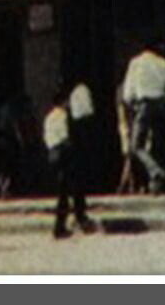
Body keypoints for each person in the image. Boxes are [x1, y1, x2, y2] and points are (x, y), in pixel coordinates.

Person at [122, 39, 165, 193]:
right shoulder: (163, 63)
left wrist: (133, 105)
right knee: (160, 145)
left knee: (137, 145)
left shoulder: (135, 63)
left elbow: (127, 94)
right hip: (162, 105)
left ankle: (155, 171)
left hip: (144, 105)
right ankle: (158, 185)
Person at [44, 87, 97, 238]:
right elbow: (65, 137)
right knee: (71, 189)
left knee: (64, 192)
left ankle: (66, 223)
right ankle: (70, 222)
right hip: (64, 154)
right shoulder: (62, 116)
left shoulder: (48, 117)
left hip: (53, 153)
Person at [68, 77, 96, 193]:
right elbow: (90, 109)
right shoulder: (83, 90)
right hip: (84, 123)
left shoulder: (77, 92)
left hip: (80, 124)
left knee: (82, 154)